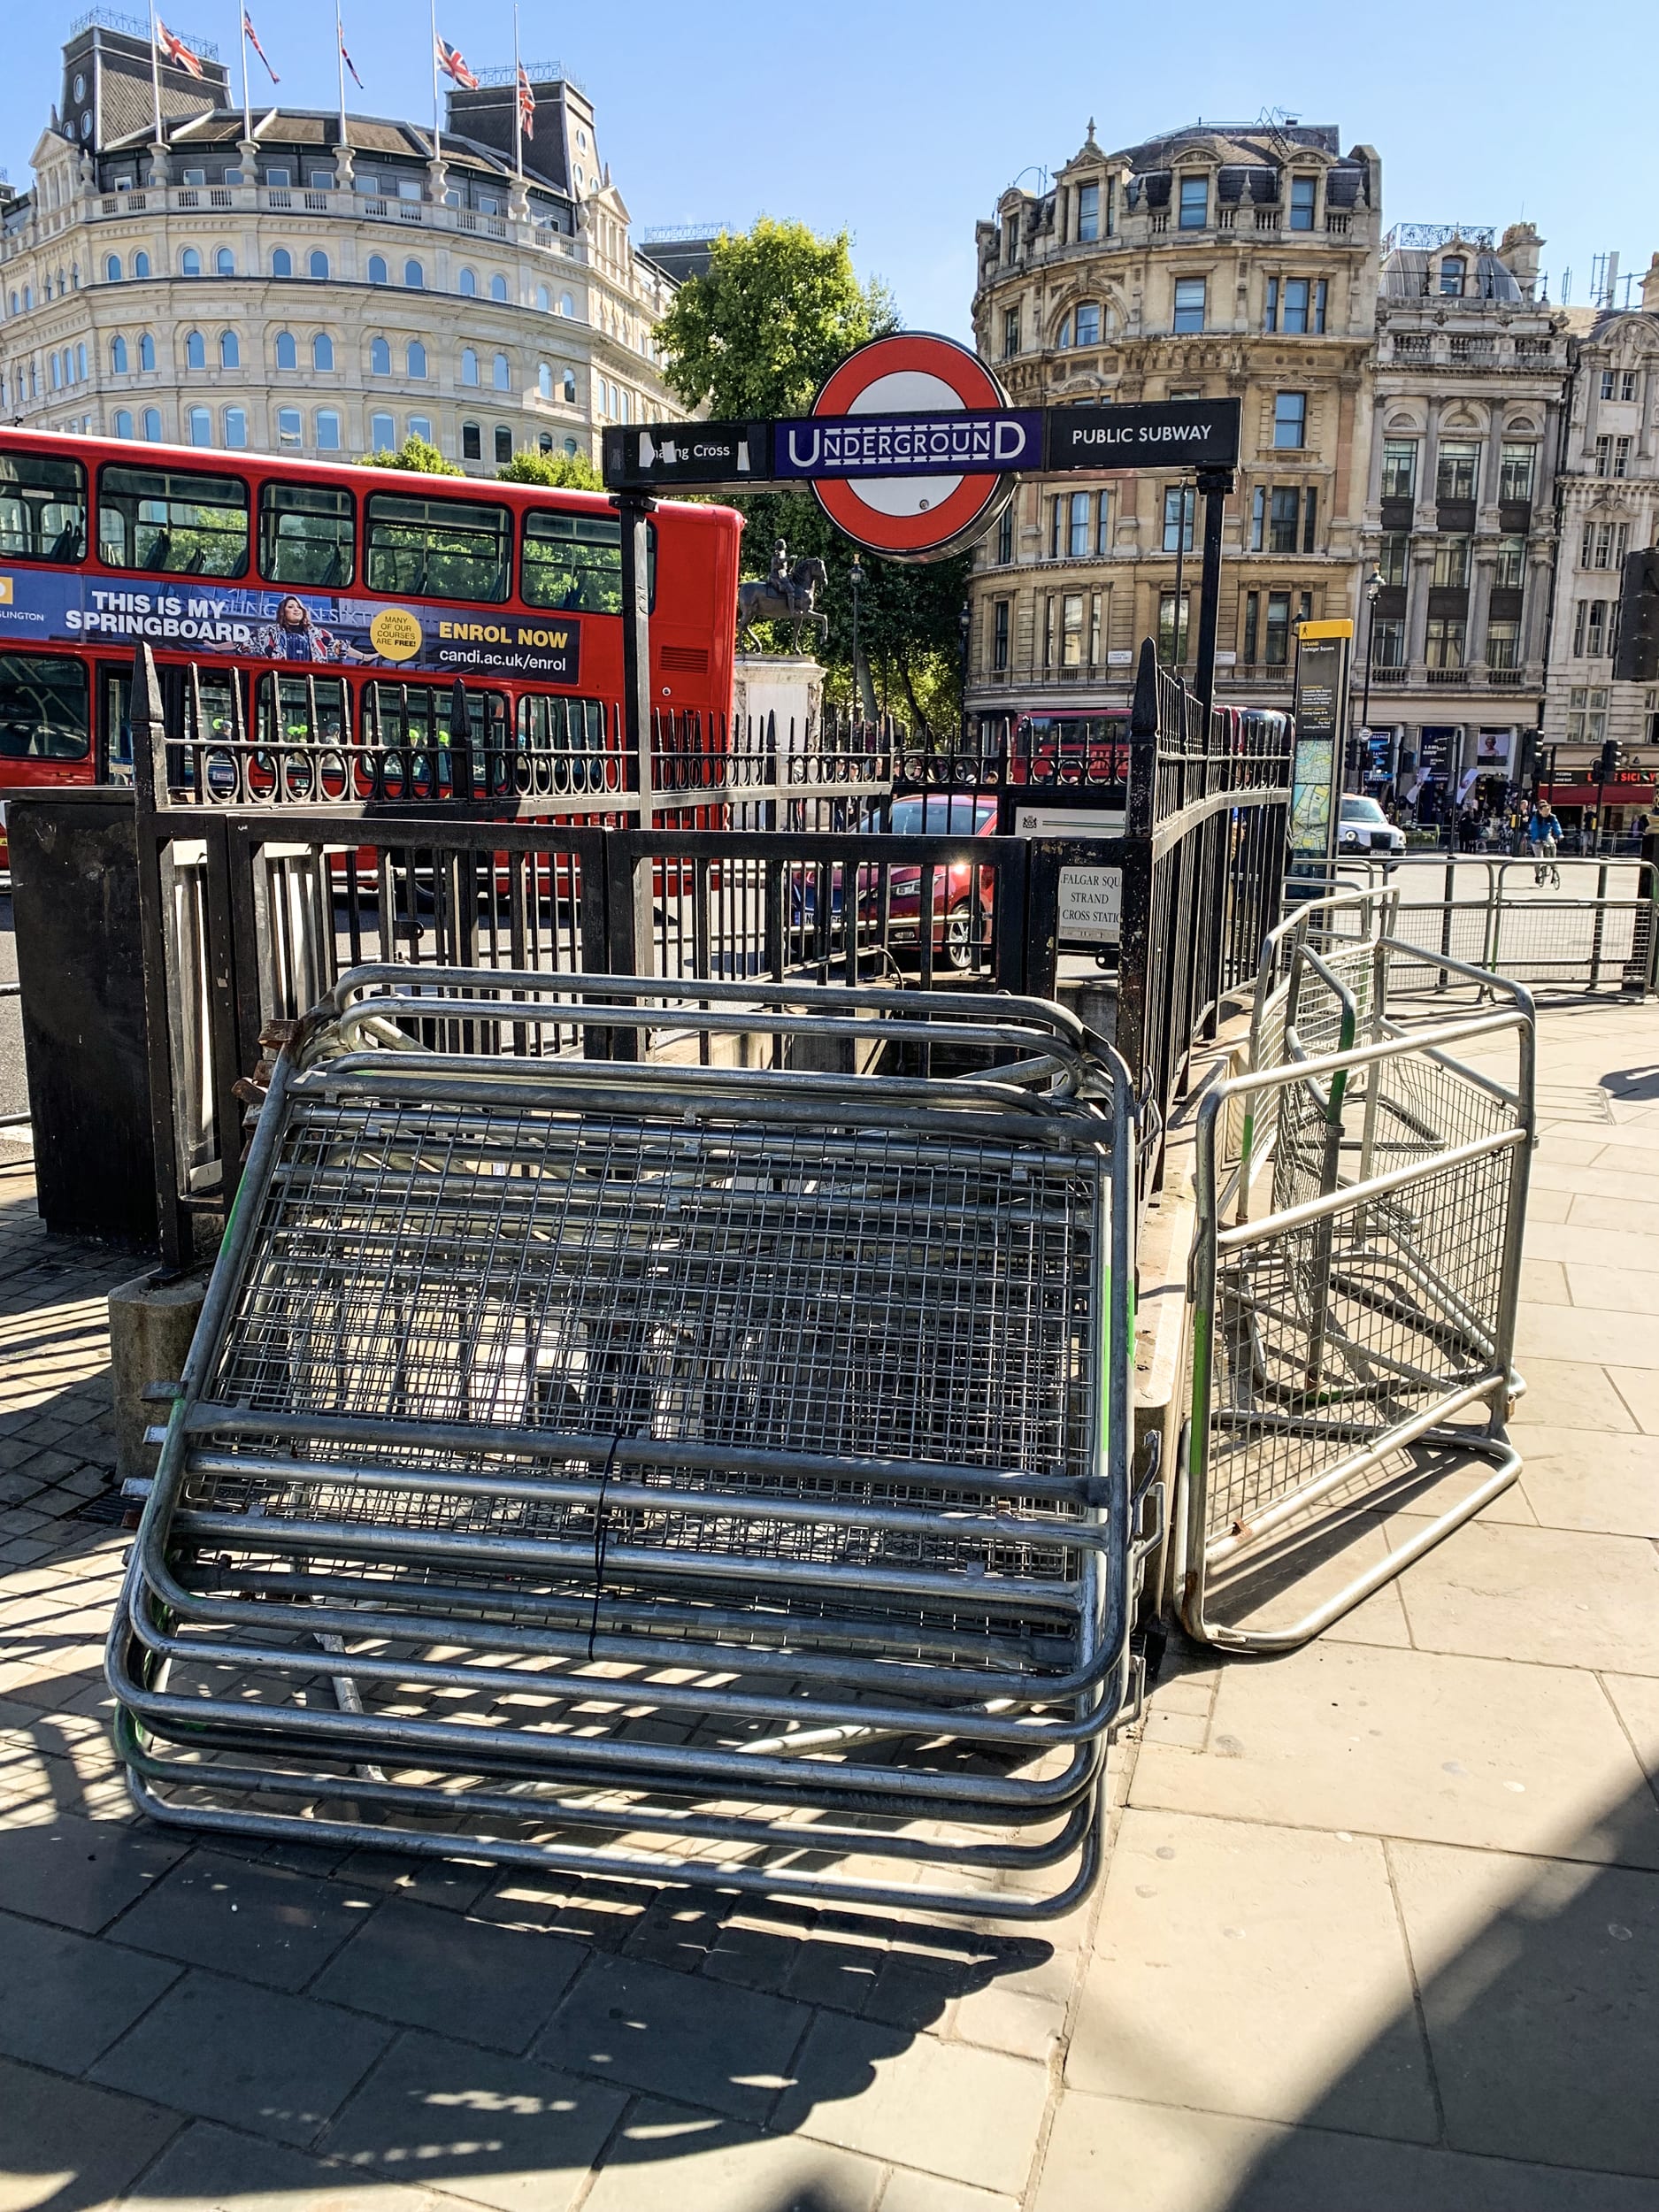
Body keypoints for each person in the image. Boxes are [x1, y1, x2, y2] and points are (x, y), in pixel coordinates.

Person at [1528, 800, 1561, 887]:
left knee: (1552, 844)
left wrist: (1560, 834)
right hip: (1537, 838)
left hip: (1547, 835)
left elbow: (1556, 826)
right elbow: (1534, 829)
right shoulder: (1536, 818)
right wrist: (1536, 838)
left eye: (1548, 811)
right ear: (1540, 811)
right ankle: (1538, 875)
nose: (1547, 813)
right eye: (1545, 811)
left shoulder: (1552, 817)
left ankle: (1554, 864)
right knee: (1538, 858)